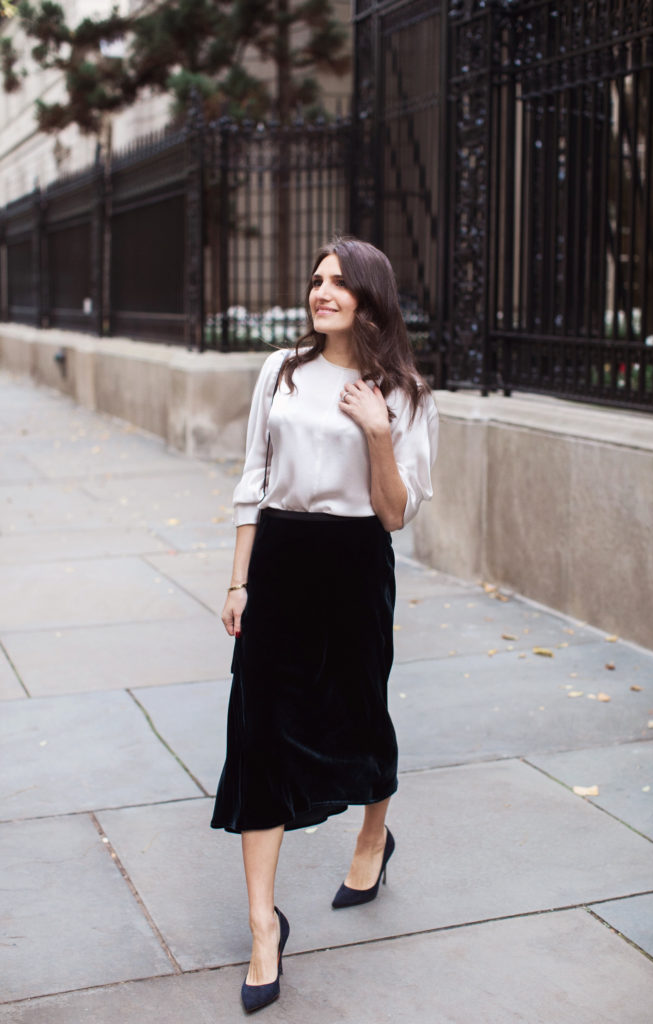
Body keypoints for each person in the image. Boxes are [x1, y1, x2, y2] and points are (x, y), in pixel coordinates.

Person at [211, 236, 438, 1013]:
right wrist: (239, 579)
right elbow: (254, 480)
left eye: (339, 281)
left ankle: (374, 835)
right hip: (279, 559)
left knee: (359, 719)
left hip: (353, 566)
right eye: (315, 278)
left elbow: (395, 514)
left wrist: (378, 430)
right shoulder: (281, 369)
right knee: (260, 735)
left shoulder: (403, 391)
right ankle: (262, 927)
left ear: (370, 296)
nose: (322, 290)